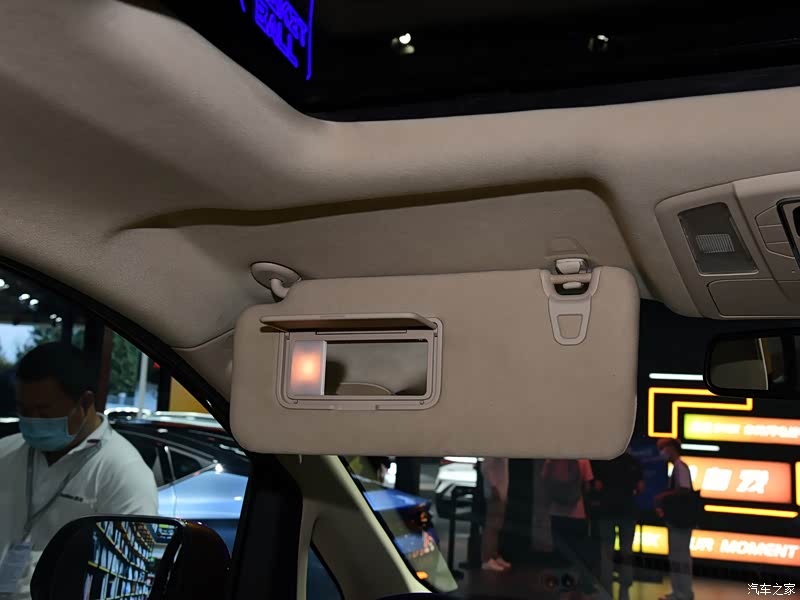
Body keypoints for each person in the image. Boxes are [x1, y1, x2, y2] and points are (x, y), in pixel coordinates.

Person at [0, 343, 158, 598]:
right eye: (24, 410)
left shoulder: (124, 472)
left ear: (85, 402)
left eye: (44, 412)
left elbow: (130, 574)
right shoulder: (5, 452)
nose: (32, 420)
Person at [590, 449, 645, 600]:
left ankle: (606, 584)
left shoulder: (604, 461)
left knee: (606, 549)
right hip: (627, 511)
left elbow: (597, 486)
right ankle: (625, 584)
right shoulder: (633, 462)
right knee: (626, 549)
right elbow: (641, 487)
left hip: (607, 510)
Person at [542, 458, 595, 595]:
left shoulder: (551, 458)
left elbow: (545, 482)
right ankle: (576, 587)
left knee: (560, 553)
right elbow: (587, 487)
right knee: (578, 553)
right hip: (577, 514)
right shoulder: (583, 460)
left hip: (556, 513)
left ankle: (561, 588)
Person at [655, 438, 695, 600]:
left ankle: (683, 593)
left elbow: (684, 490)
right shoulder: (677, 468)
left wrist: (664, 496)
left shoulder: (680, 468)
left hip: (681, 521)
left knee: (680, 557)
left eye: (663, 448)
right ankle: (678, 591)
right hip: (677, 520)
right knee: (676, 556)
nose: (661, 453)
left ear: (671, 448)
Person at [481, 457, 512, 572]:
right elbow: (485, 467)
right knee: (492, 526)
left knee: (497, 526)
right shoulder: (493, 450)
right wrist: (494, 487)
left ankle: (493, 555)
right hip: (495, 492)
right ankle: (486, 559)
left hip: (500, 491)